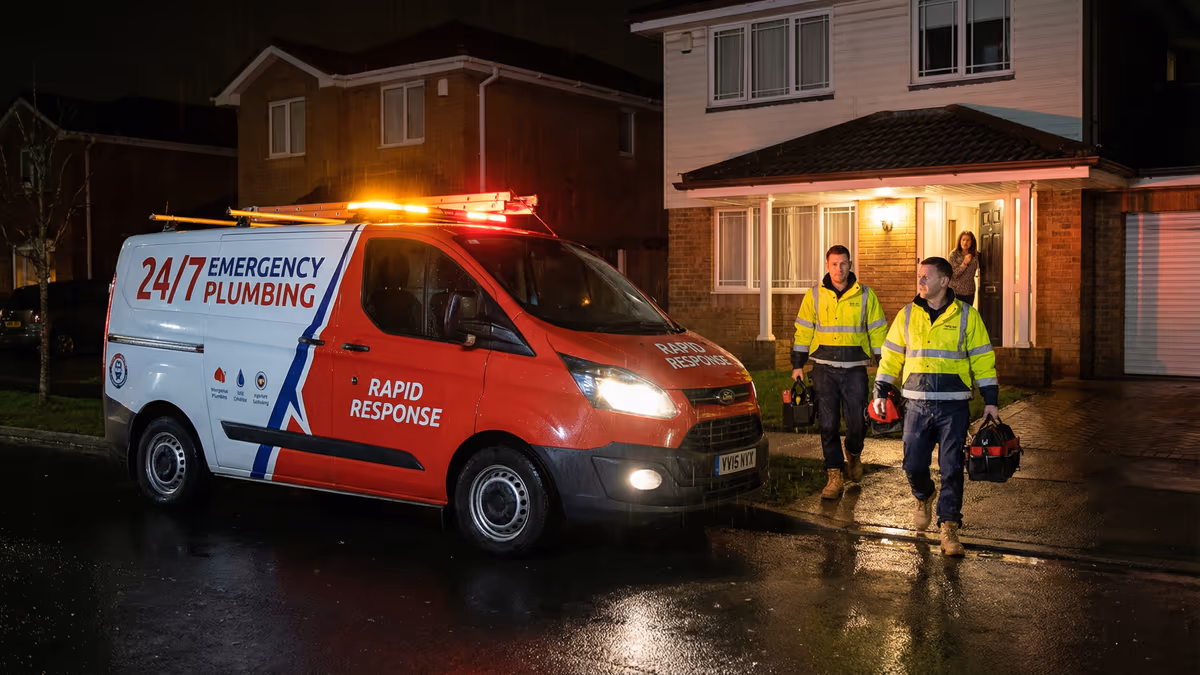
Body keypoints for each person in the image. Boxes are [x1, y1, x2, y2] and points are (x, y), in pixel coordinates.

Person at [872, 257, 999, 556]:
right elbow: (890, 356)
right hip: (915, 404)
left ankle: (949, 527)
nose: (921, 282)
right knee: (913, 464)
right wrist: (880, 390)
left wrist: (991, 401)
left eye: (926, 277)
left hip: (954, 407)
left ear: (944, 281)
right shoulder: (906, 315)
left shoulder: (967, 316)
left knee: (952, 468)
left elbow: (982, 359)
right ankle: (923, 494)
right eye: (919, 276)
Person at [792, 245, 887, 499]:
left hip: (855, 369)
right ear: (827, 266)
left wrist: (883, 366)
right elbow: (803, 331)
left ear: (850, 264)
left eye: (843, 263)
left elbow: (877, 330)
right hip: (823, 369)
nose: (839, 268)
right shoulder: (814, 295)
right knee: (828, 424)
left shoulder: (866, 295)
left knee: (856, 422)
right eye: (834, 264)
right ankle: (834, 475)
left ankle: (853, 454)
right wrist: (797, 365)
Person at [948, 231, 979, 307]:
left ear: (972, 242)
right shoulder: (954, 254)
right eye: (963, 239)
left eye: (968, 240)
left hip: (969, 291)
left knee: (967, 315)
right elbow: (953, 274)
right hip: (955, 291)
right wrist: (964, 263)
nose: (965, 242)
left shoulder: (975, 255)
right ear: (960, 241)